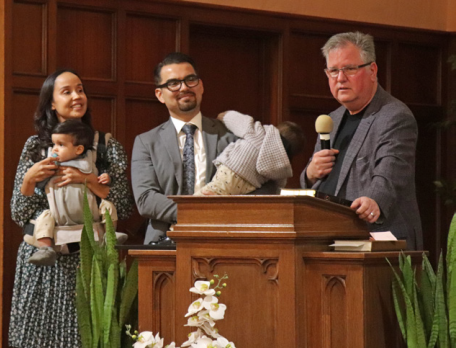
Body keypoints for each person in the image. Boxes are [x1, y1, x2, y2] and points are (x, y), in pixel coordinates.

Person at [9, 69, 134, 347]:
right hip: (43, 261)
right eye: (67, 92)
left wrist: (87, 180)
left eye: (80, 89)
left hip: (89, 258)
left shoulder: (105, 147)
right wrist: (29, 179)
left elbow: (124, 206)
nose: (77, 96)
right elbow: (18, 214)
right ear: (51, 103)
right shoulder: (36, 147)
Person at [131, 52, 277, 245]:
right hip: (164, 244)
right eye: (173, 83)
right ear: (160, 94)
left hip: (224, 240)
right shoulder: (146, 142)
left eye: (190, 80)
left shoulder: (230, 134)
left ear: (201, 86)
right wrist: (197, 213)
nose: (184, 88)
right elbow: (145, 199)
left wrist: (221, 214)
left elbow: (264, 185)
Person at [300, 31, 423, 250]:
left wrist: (374, 199)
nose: (340, 78)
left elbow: (391, 172)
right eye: (333, 71)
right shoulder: (332, 120)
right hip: (329, 238)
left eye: (349, 69)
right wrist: (310, 174)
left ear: (372, 70)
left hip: (379, 239)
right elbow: (318, 180)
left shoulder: (394, 116)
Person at [25, 120, 123, 266]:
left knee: (108, 207)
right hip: (59, 215)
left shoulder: (90, 162)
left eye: (61, 145)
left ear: (78, 150)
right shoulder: (49, 165)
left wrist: (105, 178)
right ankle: (45, 249)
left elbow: (105, 185)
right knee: (44, 218)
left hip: (90, 214)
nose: (55, 150)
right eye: (54, 145)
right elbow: (34, 191)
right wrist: (32, 177)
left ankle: (110, 234)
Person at [197, 110, 305, 195]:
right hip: (248, 186)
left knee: (200, 198)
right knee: (221, 195)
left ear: (275, 131)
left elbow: (242, 122)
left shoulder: (261, 135)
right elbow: (278, 187)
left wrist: (225, 116)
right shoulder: (282, 167)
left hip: (232, 170)